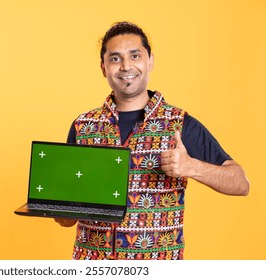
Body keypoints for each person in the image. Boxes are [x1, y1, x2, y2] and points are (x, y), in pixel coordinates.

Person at [54, 21, 250, 260]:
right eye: (115, 59)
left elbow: (241, 183)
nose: (126, 66)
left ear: (150, 61)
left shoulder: (179, 123)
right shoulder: (83, 126)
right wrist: (57, 202)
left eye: (135, 55)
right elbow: (65, 220)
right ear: (104, 68)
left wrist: (191, 167)